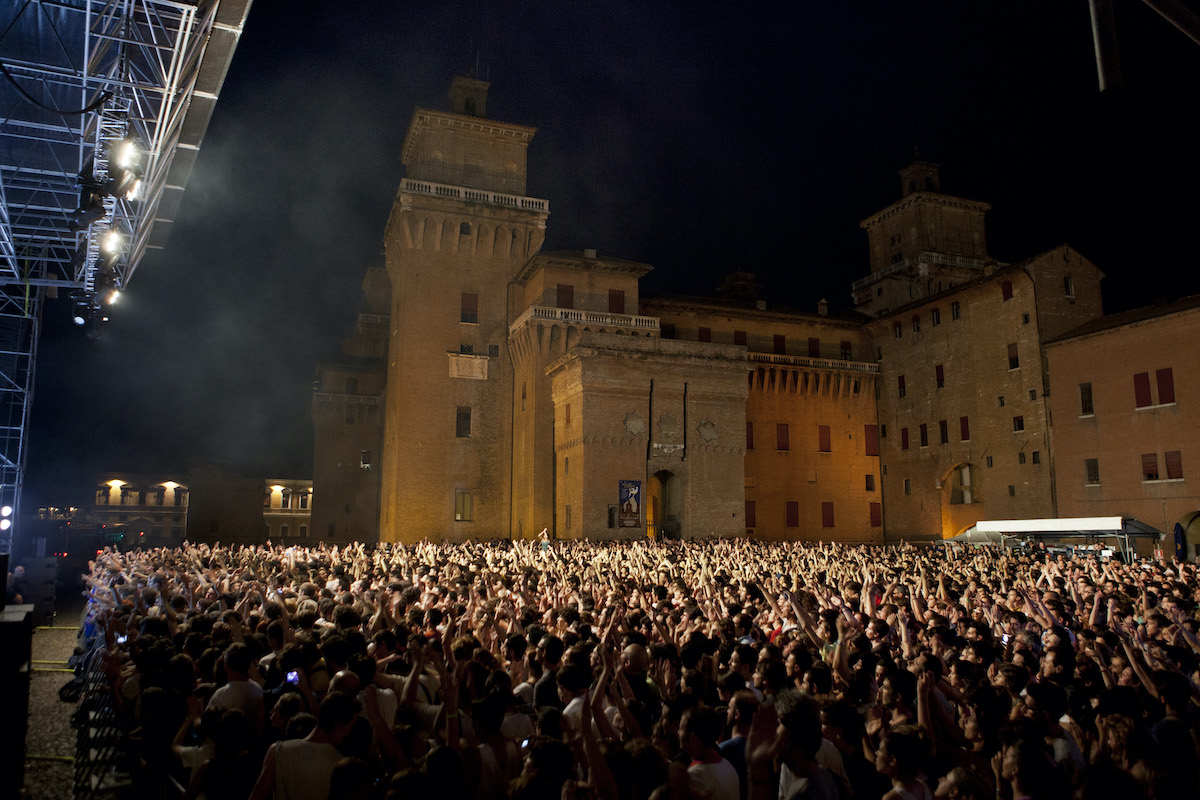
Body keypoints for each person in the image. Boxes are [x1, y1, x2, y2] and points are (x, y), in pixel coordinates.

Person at [249, 691, 362, 800]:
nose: (349, 733)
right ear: (339, 725)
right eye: (350, 727)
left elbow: (257, 796)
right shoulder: (341, 766)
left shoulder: (278, 750)